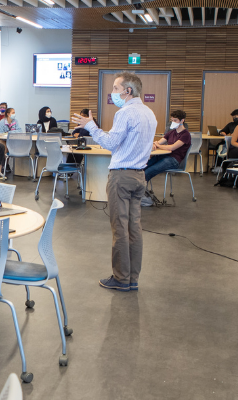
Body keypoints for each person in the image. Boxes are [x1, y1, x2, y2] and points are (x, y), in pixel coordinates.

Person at [71, 71, 157, 292]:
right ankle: (132, 278)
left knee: (120, 228)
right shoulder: (149, 113)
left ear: (128, 91)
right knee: (134, 228)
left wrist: (90, 126)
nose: (113, 93)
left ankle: (120, 278)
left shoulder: (125, 113)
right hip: (139, 176)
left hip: (121, 176)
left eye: (116, 89)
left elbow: (110, 143)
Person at [141, 110, 192, 206]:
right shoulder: (171, 132)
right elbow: (159, 142)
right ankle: (142, 192)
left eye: (175, 120)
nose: (173, 122)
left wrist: (158, 145)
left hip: (174, 160)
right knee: (142, 169)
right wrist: (155, 144)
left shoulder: (186, 135)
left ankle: (142, 196)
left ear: (182, 121)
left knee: (147, 172)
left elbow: (172, 147)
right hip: (164, 156)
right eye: (172, 120)